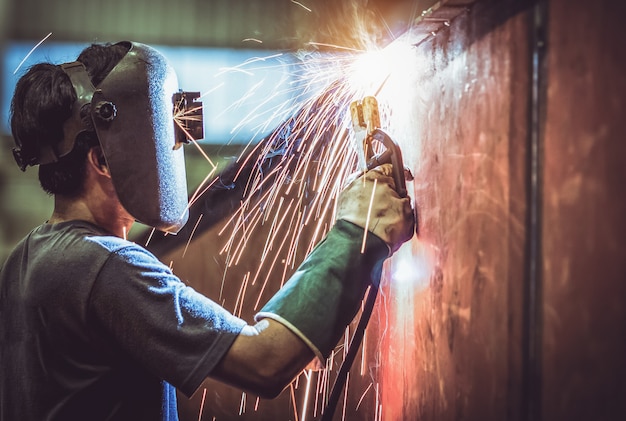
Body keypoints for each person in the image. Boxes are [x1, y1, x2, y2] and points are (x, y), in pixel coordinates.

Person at [0, 41, 415, 420]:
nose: (174, 148)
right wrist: (355, 231)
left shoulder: (25, 259)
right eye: (162, 138)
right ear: (102, 162)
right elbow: (265, 361)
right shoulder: (107, 268)